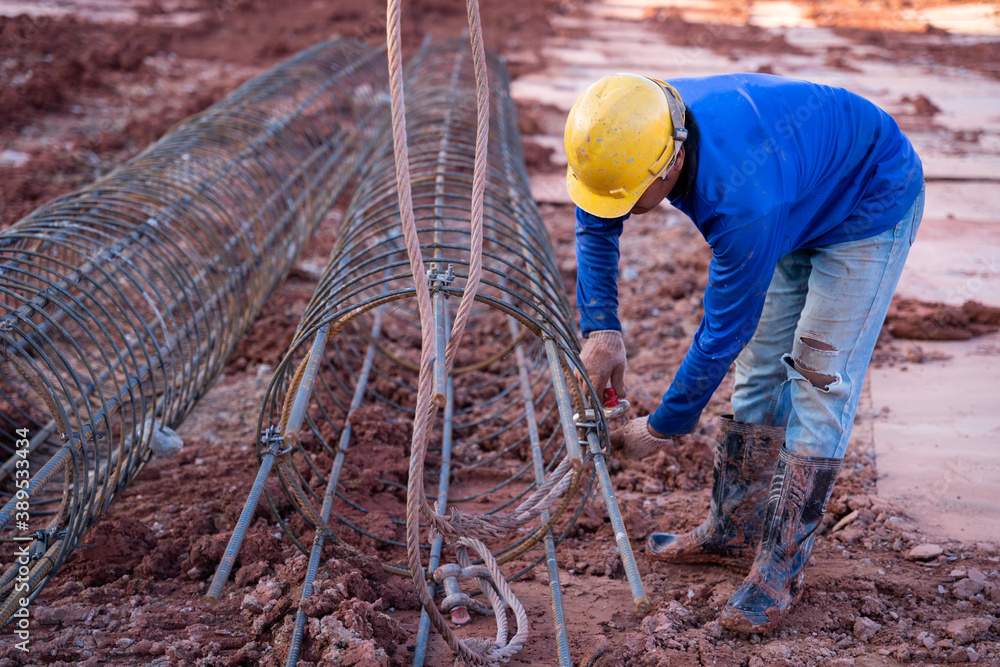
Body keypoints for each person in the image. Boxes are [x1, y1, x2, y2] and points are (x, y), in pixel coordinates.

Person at [565, 73, 923, 633]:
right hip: (795, 184)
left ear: (670, 164)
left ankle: (780, 569)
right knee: (760, 371)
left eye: (631, 196)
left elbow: (723, 331)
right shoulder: (630, 127)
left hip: (866, 200)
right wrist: (601, 330)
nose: (623, 208)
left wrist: (661, 428)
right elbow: (596, 223)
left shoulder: (740, 201)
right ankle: (733, 531)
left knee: (817, 375)